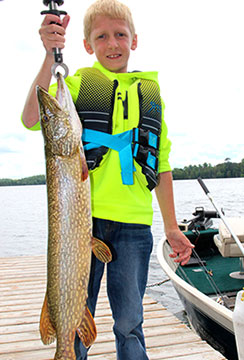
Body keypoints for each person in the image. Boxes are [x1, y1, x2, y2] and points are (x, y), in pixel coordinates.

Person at [22, 0, 194, 359]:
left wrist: (172, 227)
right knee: (72, 315)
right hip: (83, 226)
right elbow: (31, 117)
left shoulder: (150, 94)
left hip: (134, 225)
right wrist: (48, 54)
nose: (112, 43)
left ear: (134, 40)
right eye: (101, 36)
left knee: (129, 323)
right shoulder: (80, 83)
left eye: (120, 35)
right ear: (88, 45)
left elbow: (160, 164)